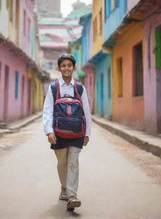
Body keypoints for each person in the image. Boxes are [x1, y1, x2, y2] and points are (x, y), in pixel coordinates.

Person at [43, 53, 91, 211]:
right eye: (63, 66)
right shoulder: (54, 88)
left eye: (69, 65)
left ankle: (72, 196)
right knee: (62, 162)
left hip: (77, 132)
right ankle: (63, 188)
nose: (66, 68)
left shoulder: (79, 88)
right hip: (58, 132)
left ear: (74, 68)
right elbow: (48, 110)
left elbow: (86, 111)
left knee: (73, 162)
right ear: (58, 69)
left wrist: (87, 133)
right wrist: (49, 131)